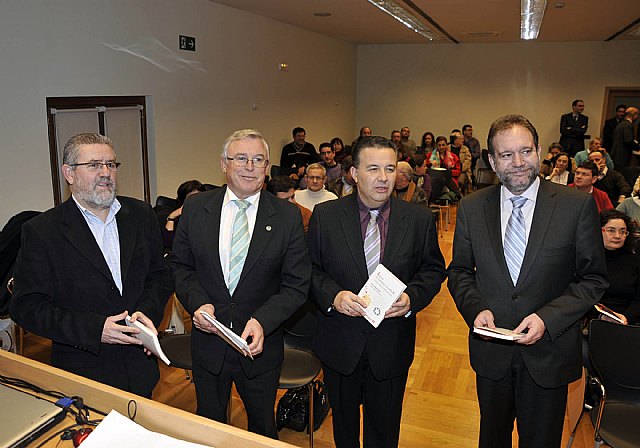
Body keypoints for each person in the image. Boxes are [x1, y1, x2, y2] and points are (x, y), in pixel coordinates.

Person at [448, 114, 608, 448]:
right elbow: (460, 272)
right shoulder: (472, 207)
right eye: (507, 155)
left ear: (538, 152)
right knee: (492, 438)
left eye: (526, 151)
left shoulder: (576, 206)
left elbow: (592, 279)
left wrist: (547, 319)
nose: (519, 162)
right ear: (493, 161)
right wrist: (475, 309)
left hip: (549, 353)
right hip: (492, 353)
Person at [170, 129, 310, 438]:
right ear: (223, 164)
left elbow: (297, 285)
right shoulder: (196, 209)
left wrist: (263, 320)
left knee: (262, 431)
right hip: (209, 346)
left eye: (258, 159)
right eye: (241, 158)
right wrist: (197, 302)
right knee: (209, 430)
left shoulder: (287, 217)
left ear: (267, 166)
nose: (250, 166)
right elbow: (181, 267)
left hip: (260, 349)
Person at [308, 136, 446, 448]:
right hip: (340, 340)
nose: (383, 178)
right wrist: (334, 296)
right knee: (343, 427)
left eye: (389, 168)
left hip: (391, 342)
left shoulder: (418, 219)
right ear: (354, 174)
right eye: (373, 169)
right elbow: (309, 270)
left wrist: (412, 298)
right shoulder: (326, 216)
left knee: (384, 429)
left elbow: (433, 270)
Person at [10, 133, 173, 396]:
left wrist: (148, 312)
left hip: (140, 367)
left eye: (111, 164)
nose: (105, 173)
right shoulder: (42, 231)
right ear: (69, 173)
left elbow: (160, 275)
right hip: (84, 372)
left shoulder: (141, 215)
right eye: (95, 165)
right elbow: (26, 307)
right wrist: (95, 329)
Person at [590, 210, 640, 325]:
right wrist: (600, 316)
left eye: (623, 232)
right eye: (611, 230)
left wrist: (626, 318)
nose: (617, 236)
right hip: (592, 321)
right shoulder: (586, 260)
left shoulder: (635, 261)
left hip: (628, 322)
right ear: (597, 231)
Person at [162, 180, 206, 251]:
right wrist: (171, 218)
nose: (195, 201)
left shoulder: (209, 216)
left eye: (198, 197)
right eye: (191, 198)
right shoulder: (179, 217)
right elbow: (169, 244)